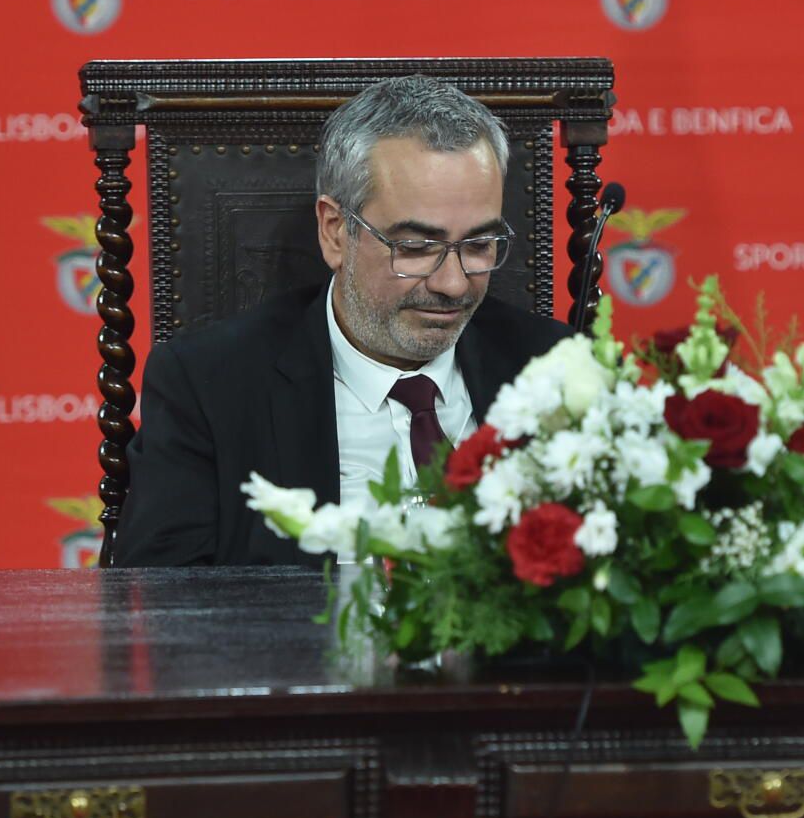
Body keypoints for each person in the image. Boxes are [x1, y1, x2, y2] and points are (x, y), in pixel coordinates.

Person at [115, 75, 570, 567]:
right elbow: (163, 596)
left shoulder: (554, 368)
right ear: (335, 232)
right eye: (416, 247)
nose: (454, 284)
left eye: (479, 245)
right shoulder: (209, 387)